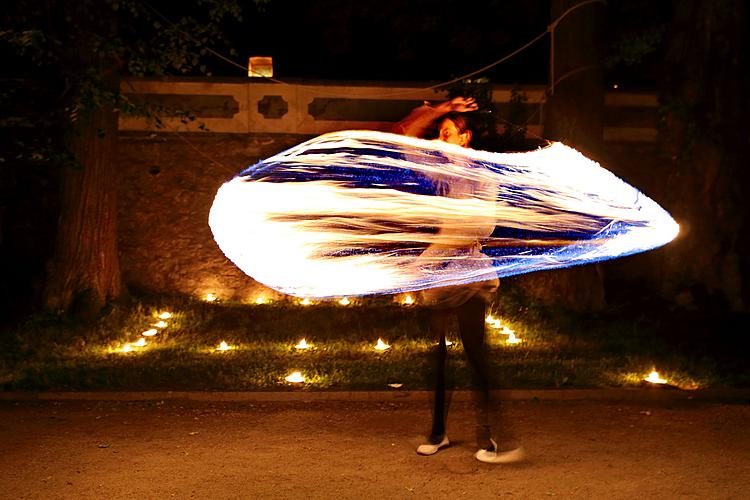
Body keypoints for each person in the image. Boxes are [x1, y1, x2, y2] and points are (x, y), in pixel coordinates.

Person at [392, 97, 525, 464]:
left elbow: (475, 227)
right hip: (441, 275)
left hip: (469, 273)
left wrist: (424, 259)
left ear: (465, 138)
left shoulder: (483, 174)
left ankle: (489, 439)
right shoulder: (441, 174)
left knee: (474, 352)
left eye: (448, 133)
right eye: (440, 134)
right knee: (437, 356)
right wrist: (435, 113)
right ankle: (439, 432)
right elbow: (406, 142)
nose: (441, 139)